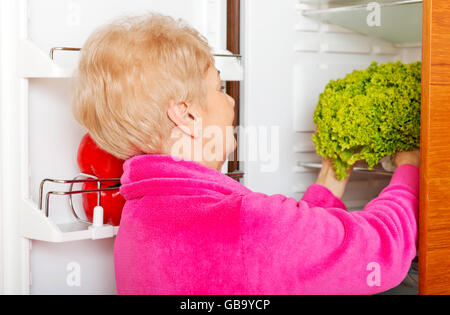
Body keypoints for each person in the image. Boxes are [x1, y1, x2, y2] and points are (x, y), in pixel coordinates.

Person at [71, 13, 420, 295]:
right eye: (219, 87)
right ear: (187, 114)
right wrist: (410, 169)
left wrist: (330, 179)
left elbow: (282, 260)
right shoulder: (243, 223)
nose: (230, 100)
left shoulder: (141, 218)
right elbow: (379, 251)